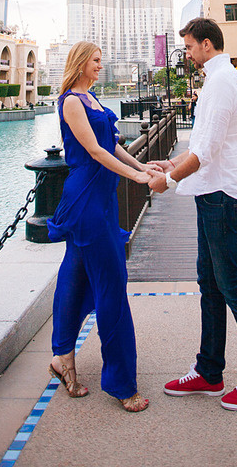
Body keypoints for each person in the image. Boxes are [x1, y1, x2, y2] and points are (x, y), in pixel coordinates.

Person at [148, 18, 237, 411]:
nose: (186, 54)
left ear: (207, 44)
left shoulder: (223, 82)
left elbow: (205, 153)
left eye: (189, 47)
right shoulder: (216, 80)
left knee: (233, 286)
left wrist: (168, 181)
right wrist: (170, 162)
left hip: (223, 197)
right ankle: (210, 371)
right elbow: (206, 142)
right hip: (212, 194)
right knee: (210, 283)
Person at [47, 41, 153, 412]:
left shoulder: (93, 100)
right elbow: (94, 151)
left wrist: (143, 167)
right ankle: (122, 384)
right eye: (95, 60)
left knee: (74, 280)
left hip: (101, 202)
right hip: (86, 202)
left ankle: (62, 358)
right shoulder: (72, 101)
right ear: (79, 63)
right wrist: (136, 179)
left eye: (100, 61)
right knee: (112, 286)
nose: (99, 66)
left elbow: (113, 145)